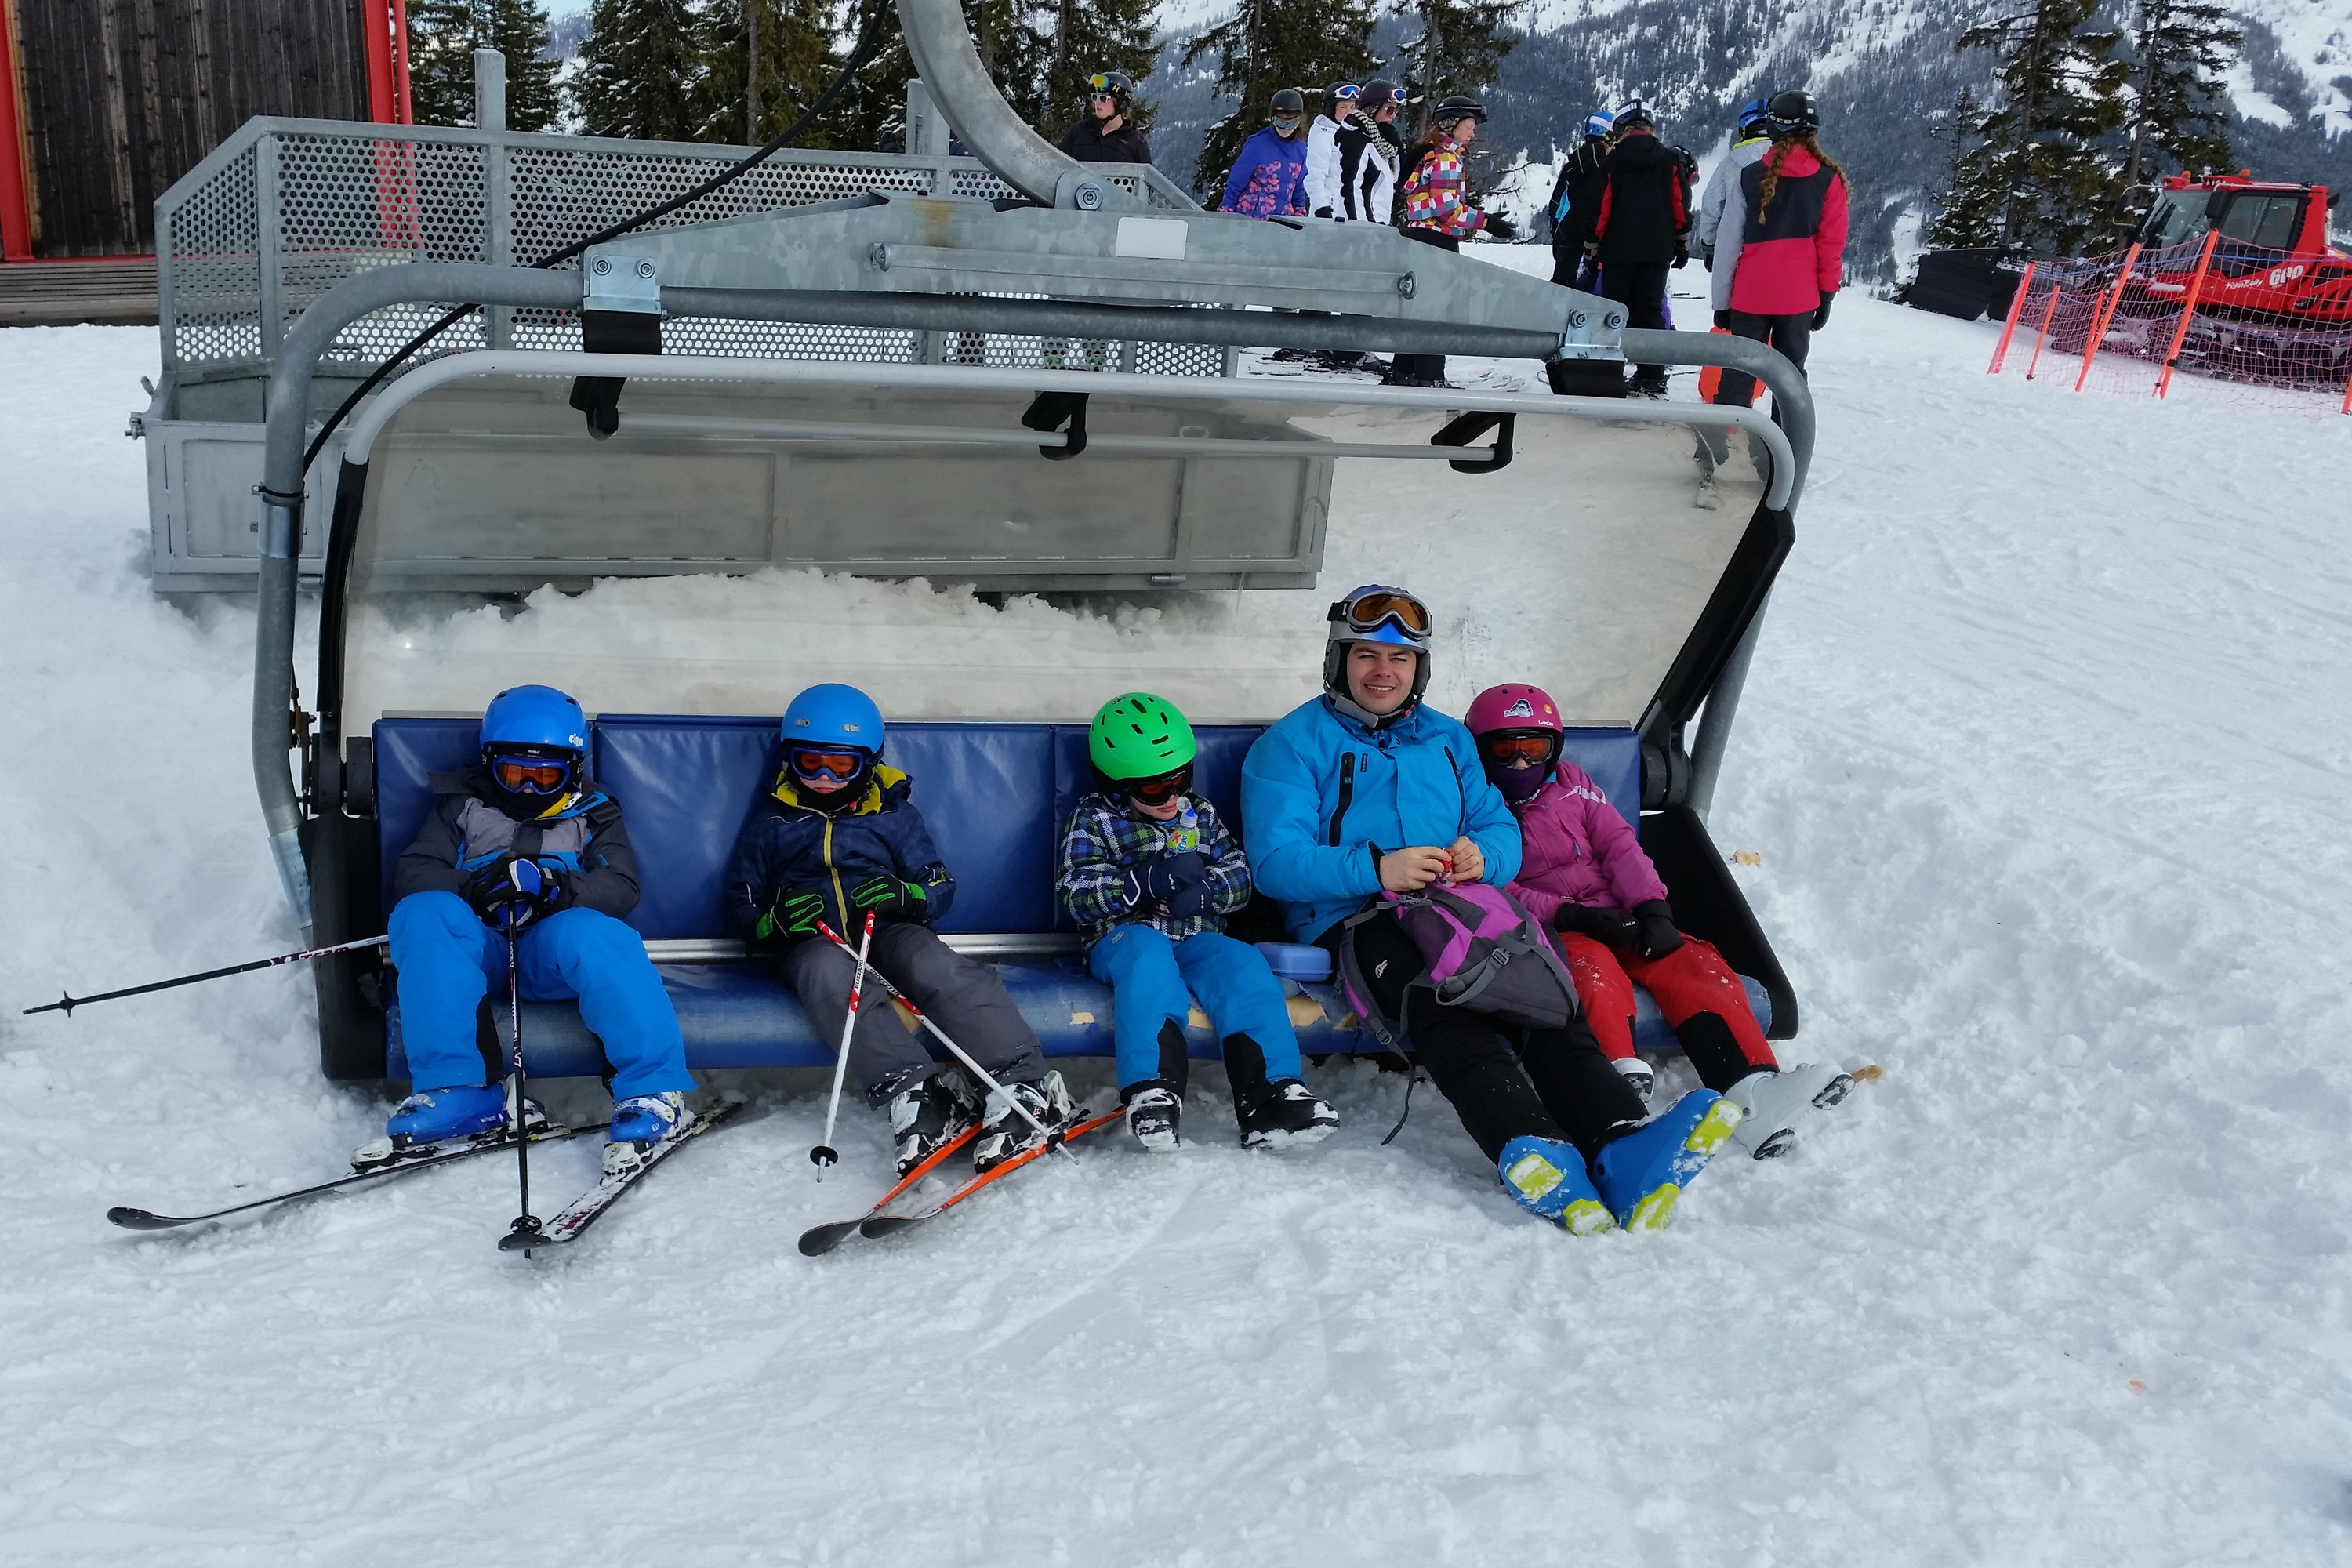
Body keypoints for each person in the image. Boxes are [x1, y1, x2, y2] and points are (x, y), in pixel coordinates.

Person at [1241, 586, 1740, 1233]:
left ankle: (1622, 1140)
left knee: (1543, 994)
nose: (1383, 671)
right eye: (1366, 655)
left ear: (1420, 668)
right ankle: (1531, 1146)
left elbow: (1499, 828)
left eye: (1400, 659)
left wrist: (1485, 857)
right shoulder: (1291, 745)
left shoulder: (1448, 739)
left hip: (1461, 904)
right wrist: (1375, 869)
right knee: (1443, 1000)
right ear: (1338, 661)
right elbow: (1276, 862)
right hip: (1356, 917)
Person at [1467, 683, 1853, 1158]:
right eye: (1504, 751)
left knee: (1690, 962)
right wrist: (1569, 914)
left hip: (1618, 912)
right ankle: (1614, 1084)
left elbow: (1618, 845)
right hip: (1551, 926)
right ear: (1480, 751)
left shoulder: (1572, 783)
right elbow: (1489, 886)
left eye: (1534, 748)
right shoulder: (1471, 805)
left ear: (1555, 749)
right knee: (1588, 967)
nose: (1521, 763)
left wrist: (1651, 907)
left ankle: (1753, 1089)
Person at [724, 684, 1073, 1174]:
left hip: (887, 928)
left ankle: (1022, 1084)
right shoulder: (772, 825)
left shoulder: (894, 816)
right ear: (789, 759)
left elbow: (939, 885)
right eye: (809, 763)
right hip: (814, 940)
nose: (824, 778)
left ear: (869, 763)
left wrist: (906, 895)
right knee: (824, 975)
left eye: (841, 766)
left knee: (934, 965)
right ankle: (918, 1095)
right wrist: (773, 922)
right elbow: (741, 904)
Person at [383, 684, 695, 1174]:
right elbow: (416, 871)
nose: (529, 788)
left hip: (547, 954)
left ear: (572, 769)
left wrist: (557, 888)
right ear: (490, 764)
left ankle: (653, 1090)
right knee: (423, 912)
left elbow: (621, 886)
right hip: (479, 950)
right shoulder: (462, 806)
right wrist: (477, 887)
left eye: (545, 776)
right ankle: (460, 1089)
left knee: (598, 935)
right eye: (514, 774)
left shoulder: (594, 812)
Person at [1058, 693, 1340, 1151]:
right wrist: (1140, 884)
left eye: (1180, 779)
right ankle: (1153, 1088)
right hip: (1124, 938)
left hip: (1196, 936)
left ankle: (1271, 1093)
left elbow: (1241, 874)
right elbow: (1075, 895)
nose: (1172, 796)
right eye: (1155, 789)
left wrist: (1208, 891)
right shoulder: (1094, 820)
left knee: (1244, 964)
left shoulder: (1200, 814)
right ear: (1118, 786)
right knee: (1148, 960)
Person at [1710, 90, 1848, 431]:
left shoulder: (1748, 176)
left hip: (1750, 295)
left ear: (1772, 127)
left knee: (1739, 372)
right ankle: (1784, 452)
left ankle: (1717, 449)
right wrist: (1826, 296)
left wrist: (1721, 301)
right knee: (1790, 379)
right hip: (1799, 298)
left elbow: (1728, 244)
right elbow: (1831, 247)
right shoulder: (1829, 180)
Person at [1390, 97, 1519, 388]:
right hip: (1437, 239)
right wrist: (1486, 222)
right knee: (1437, 310)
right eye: (1469, 126)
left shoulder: (1429, 154)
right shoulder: (1446, 158)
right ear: (1451, 125)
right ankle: (1430, 376)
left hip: (1419, 237)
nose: (1473, 133)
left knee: (1419, 308)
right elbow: (1446, 209)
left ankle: (1405, 371)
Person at [1582, 100, 1693, 396]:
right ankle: (1651, 375)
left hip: (1617, 249)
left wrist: (1593, 245)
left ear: (1620, 128)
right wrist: (1682, 240)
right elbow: (1679, 203)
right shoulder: (1668, 159)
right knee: (1650, 310)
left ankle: (1607, 374)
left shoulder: (1613, 160)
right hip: (1657, 249)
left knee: (1614, 310)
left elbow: (1602, 208)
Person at [1695, 97, 1774, 282]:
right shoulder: (1788, 160)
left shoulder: (1729, 164)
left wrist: (1709, 245)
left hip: (1737, 251)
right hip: (1783, 250)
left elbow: (1711, 204)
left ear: (1744, 130)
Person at [1546, 110, 1614, 289]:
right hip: (1599, 244)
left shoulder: (1572, 166)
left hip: (1567, 240)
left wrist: (1558, 236)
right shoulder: (1613, 168)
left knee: (1561, 294)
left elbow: (1556, 205)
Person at [1220, 88, 1310, 218]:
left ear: (1299, 121)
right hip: (1250, 219)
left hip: (1282, 221)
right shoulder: (1257, 145)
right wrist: (1225, 212)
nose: (1285, 128)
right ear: (1272, 119)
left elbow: (1299, 187)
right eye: (1280, 122)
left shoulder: (1300, 149)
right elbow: (1236, 182)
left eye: (1291, 123)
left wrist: (1299, 212)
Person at [1336, 80, 1405, 224]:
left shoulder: (1381, 142)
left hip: (1379, 224)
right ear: (1372, 109)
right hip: (1361, 226)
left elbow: (1394, 179)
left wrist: (1397, 147)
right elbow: (1351, 187)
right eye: (1389, 110)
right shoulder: (1356, 139)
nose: (1393, 116)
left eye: (1396, 111)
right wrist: (1362, 227)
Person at [1058, 71, 1151, 164]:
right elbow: (1057, 163)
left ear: (1121, 104)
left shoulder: (1135, 142)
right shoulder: (1080, 130)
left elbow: (1146, 172)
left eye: (1103, 98)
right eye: (1095, 97)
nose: (1097, 103)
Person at [1302, 82, 1359, 220]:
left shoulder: (1355, 135)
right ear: (1332, 109)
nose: (1349, 112)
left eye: (1352, 107)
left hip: (1351, 211)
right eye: (1343, 107)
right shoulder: (1323, 135)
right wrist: (1322, 208)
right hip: (1330, 213)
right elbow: (1314, 177)